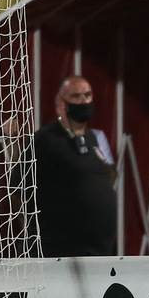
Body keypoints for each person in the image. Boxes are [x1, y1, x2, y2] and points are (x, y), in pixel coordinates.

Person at [33, 76, 117, 257]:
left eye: (87, 95)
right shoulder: (45, 140)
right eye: (76, 96)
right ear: (61, 103)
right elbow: (20, 189)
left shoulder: (95, 137)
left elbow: (110, 177)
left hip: (100, 248)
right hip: (62, 250)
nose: (84, 101)